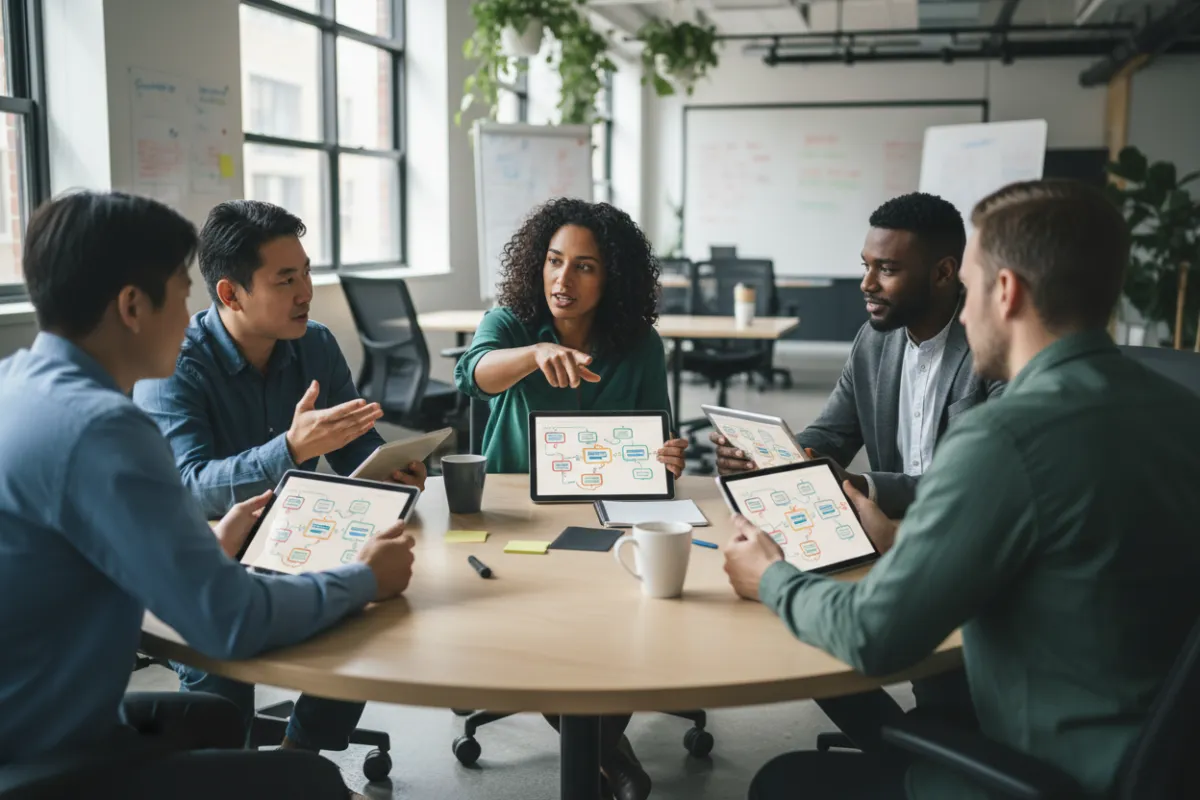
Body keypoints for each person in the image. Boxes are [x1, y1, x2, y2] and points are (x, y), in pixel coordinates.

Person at [723, 179, 1200, 800]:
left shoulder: (1006, 438)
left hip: (1053, 770)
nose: (963, 310)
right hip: (1162, 757)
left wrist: (770, 577)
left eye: (969, 287)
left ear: (1004, 292)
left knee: (784, 783)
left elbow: (874, 635)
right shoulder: (1182, 409)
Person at [0, 191, 416, 799]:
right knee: (315, 783)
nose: (192, 308)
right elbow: (230, 622)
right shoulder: (104, 428)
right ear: (133, 305)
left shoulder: (18, 385)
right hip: (50, 759)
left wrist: (202, 552)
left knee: (219, 724)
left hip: (34, 722)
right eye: (182, 287)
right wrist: (364, 578)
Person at [132, 200, 424, 760]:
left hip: (299, 537)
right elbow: (191, 491)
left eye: (307, 271)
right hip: (199, 562)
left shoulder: (313, 343)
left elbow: (355, 448)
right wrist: (289, 449)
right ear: (230, 294)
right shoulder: (174, 365)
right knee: (222, 672)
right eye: (285, 279)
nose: (306, 292)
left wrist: (396, 471)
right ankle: (236, 773)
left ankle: (298, 761)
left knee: (366, 605)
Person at [716, 192, 1000, 750]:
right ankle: (904, 747)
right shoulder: (875, 339)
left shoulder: (990, 346)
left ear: (944, 273)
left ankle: (940, 751)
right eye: (865, 266)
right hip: (878, 540)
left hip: (956, 551)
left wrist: (865, 486)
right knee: (801, 618)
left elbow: (971, 480)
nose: (867, 284)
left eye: (887, 269)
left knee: (829, 617)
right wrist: (773, 454)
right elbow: (832, 435)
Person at [454, 197, 688, 800]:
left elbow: (655, 437)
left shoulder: (637, 345)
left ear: (612, 277)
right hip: (516, 514)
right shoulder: (509, 321)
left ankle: (603, 753)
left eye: (585, 266)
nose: (564, 279)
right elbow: (473, 374)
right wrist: (533, 356)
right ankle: (612, 758)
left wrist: (667, 457)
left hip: (607, 513)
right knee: (543, 628)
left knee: (623, 618)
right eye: (555, 261)